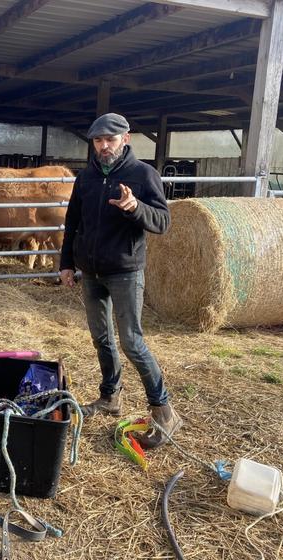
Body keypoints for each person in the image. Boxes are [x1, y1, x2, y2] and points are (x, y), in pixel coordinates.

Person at [59, 112, 181, 449]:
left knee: (132, 341)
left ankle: (164, 410)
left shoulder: (143, 175)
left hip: (125, 271)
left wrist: (135, 207)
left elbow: (162, 221)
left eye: (109, 140)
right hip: (91, 272)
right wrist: (67, 263)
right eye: (98, 140)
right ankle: (110, 397)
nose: (103, 146)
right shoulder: (86, 178)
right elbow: (72, 223)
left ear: (125, 139)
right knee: (102, 338)